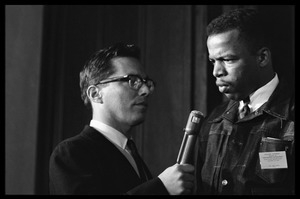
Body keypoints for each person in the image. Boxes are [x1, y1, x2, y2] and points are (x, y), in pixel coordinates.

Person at [49, 42, 195, 195]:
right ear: (95, 94)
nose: (145, 91)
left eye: (146, 82)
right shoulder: (71, 153)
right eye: (132, 81)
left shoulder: (131, 153)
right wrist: (161, 187)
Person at [194, 8, 294, 195]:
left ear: (262, 57)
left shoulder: (291, 116)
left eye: (227, 59)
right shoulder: (213, 121)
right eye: (213, 61)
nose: (217, 71)